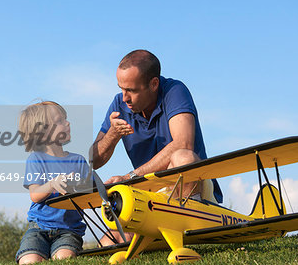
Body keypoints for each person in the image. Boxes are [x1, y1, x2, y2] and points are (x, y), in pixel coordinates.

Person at [92, 50, 222, 245]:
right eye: (121, 88)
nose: (124, 97)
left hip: (188, 187)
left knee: (183, 158)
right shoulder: (119, 103)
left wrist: (130, 178)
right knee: (109, 244)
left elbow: (183, 144)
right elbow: (94, 161)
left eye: (132, 90)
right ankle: (158, 237)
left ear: (154, 84)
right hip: (149, 194)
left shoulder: (174, 91)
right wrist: (112, 134)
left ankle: (188, 234)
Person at [15, 101, 88, 264]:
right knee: (29, 261)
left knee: (63, 258)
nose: (67, 123)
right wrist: (52, 184)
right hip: (38, 229)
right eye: (60, 121)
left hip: (69, 230)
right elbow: (35, 195)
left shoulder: (78, 161)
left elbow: (89, 195)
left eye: (65, 119)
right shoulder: (36, 159)